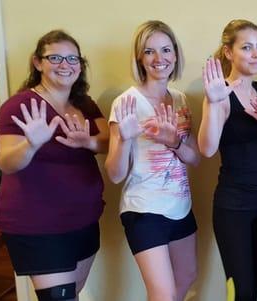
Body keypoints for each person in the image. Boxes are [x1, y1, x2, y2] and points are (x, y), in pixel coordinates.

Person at [0, 30, 108, 301]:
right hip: (38, 225)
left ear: (80, 65)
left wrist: (87, 142)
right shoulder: (19, 106)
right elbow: (7, 162)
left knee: (72, 294)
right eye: (55, 57)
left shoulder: (84, 103)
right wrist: (31, 144)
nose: (65, 64)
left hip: (83, 220)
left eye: (72, 58)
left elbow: (106, 141)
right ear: (38, 63)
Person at [105, 20, 200, 301]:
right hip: (144, 209)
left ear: (175, 54)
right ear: (139, 57)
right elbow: (114, 174)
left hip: (181, 206)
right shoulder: (127, 103)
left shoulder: (181, 99)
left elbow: (194, 157)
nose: (159, 59)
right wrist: (123, 139)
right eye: (149, 52)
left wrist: (173, 141)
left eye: (166, 50)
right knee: (163, 294)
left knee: (186, 277)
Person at [198, 19, 257, 301]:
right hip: (234, 206)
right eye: (247, 47)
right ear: (228, 52)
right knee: (241, 289)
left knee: (252, 280)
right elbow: (207, 149)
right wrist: (213, 103)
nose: (256, 54)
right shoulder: (219, 93)